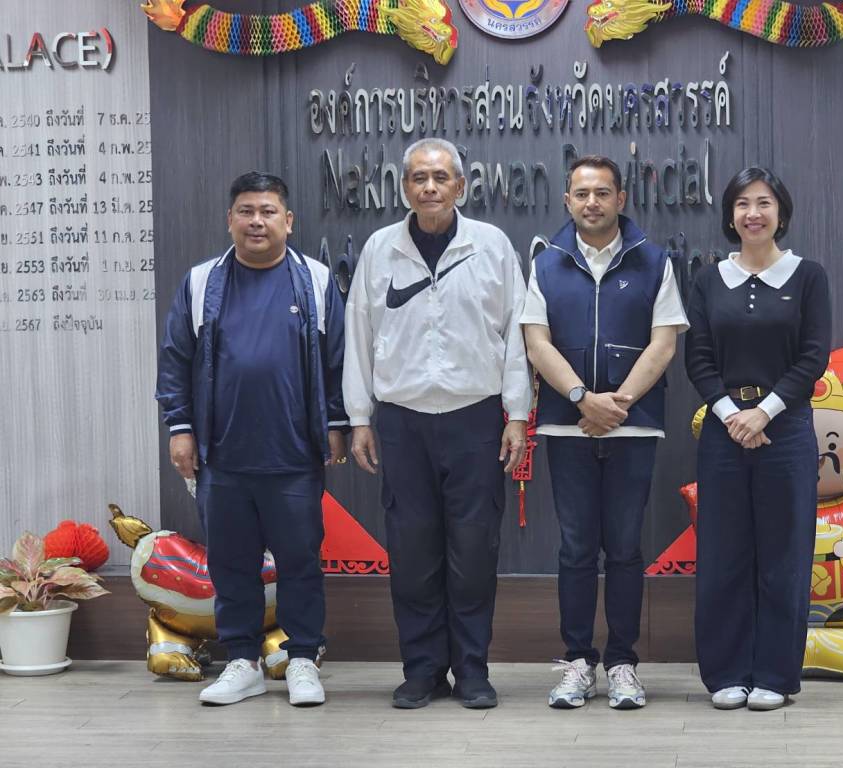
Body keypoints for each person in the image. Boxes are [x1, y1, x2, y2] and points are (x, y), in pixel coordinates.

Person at [343, 138, 531, 710]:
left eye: (440, 177)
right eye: (418, 178)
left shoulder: (491, 246)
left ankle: (472, 669)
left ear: (461, 186)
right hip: (402, 422)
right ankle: (422, 669)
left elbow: (517, 335)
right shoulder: (380, 249)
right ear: (404, 187)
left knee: (474, 550)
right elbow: (359, 335)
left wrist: (516, 414)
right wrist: (359, 417)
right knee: (412, 551)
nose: (429, 187)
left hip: (476, 419)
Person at [155, 171, 348, 707]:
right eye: (246, 211)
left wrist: (336, 424)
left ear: (288, 220)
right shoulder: (201, 282)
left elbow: (338, 361)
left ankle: (303, 657)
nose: (256, 221)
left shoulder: (314, 280)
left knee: (300, 560)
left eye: (267, 211)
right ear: (230, 220)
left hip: (294, 454)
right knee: (231, 562)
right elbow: (175, 360)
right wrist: (180, 427)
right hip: (222, 455)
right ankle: (242, 661)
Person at [521, 155, 688, 710]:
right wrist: (581, 399)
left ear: (621, 198)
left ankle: (621, 663)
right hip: (567, 426)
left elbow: (664, 342)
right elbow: (536, 342)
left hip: (631, 428)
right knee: (574, 548)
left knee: (623, 547)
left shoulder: (654, 261)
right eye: (581, 193)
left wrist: (617, 406)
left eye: (602, 192)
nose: (591, 202)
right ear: (566, 201)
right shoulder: (546, 263)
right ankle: (577, 662)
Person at [684, 166, 831, 711]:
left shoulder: (807, 276)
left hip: (785, 429)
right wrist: (732, 416)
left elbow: (813, 357)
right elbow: (698, 358)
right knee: (723, 553)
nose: (753, 213)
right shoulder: (707, 280)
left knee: (784, 554)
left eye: (764, 203)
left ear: (781, 213)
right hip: (723, 431)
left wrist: (763, 413)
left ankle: (774, 674)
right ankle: (726, 673)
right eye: (743, 203)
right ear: (730, 215)